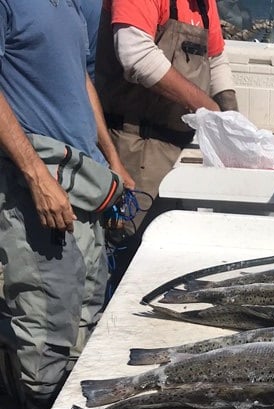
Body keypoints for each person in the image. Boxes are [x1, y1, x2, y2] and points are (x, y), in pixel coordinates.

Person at [0, 0, 134, 409]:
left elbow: (81, 80)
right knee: (46, 312)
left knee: (87, 301)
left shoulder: (73, 4)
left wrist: (111, 158)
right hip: (34, 179)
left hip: (84, 176)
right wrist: (37, 177)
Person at [95, 0, 238, 238]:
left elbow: (216, 59)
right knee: (133, 247)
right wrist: (209, 108)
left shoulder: (203, 3)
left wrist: (232, 119)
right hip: (137, 149)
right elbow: (136, 55)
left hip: (181, 148)